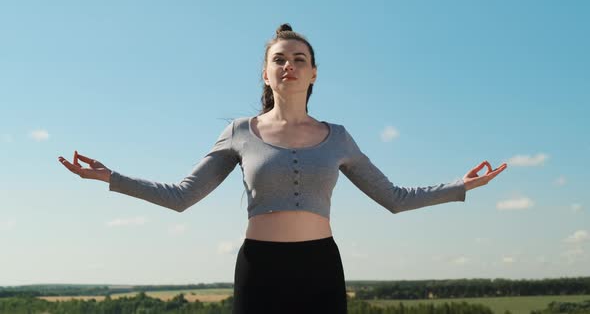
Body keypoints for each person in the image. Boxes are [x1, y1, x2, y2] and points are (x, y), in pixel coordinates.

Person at [58, 23, 508, 313]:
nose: (289, 65)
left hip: (321, 268)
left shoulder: (339, 137)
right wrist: (111, 178)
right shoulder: (240, 131)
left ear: (313, 74)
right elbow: (182, 196)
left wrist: (460, 185)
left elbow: (394, 199)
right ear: (265, 73)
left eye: (299, 59)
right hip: (260, 268)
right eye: (279, 59)